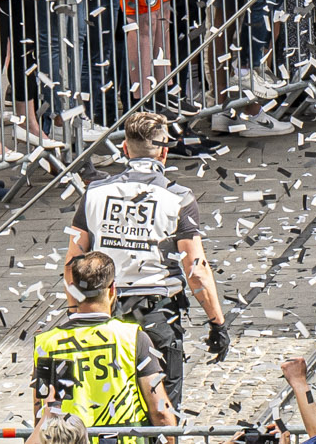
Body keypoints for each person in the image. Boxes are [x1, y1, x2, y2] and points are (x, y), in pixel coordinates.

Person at [65, 110, 230, 409]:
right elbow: (196, 271)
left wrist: (75, 312)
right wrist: (217, 323)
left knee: (108, 408)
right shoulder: (178, 198)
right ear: (165, 152)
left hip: (107, 313)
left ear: (125, 149)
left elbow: (72, 264)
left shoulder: (95, 193)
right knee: (162, 412)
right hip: (158, 315)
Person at [33, 251, 174, 435]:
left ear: (73, 290)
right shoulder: (132, 337)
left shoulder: (48, 344)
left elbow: (41, 417)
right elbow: (160, 411)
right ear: (113, 289)